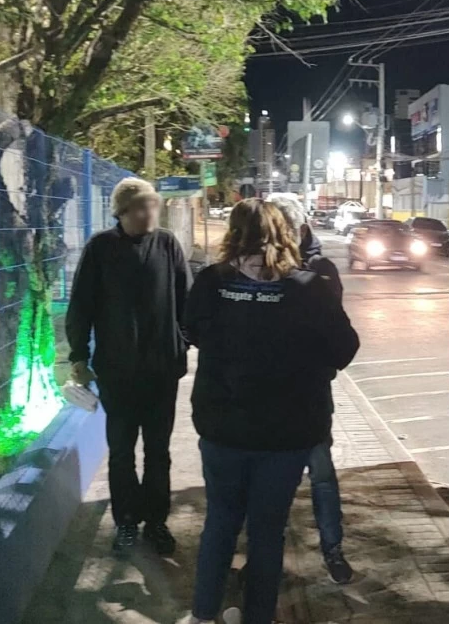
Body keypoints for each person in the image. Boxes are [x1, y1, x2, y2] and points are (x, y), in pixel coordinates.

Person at [179, 200, 360, 624]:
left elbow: (192, 330)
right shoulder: (309, 288)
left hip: (223, 425)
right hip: (287, 432)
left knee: (220, 522)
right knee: (267, 530)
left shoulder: (211, 281)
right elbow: (345, 348)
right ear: (284, 233)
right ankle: (258, 615)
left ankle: (204, 614)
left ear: (234, 232)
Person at [66, 177, 191, 556]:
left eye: (153, 204)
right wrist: (77, 356)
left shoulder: (167, 244)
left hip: (161, 372)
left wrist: (181, 343)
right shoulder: (101, 248)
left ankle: (156, 521)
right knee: (121, 452)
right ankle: (125, 523)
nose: (150, 211)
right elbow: (81, 307)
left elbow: (187, 299)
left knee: (158, 452)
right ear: (122, 212)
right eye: (141, 206)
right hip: (117, 373)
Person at [265, 193, 353, 584]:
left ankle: (332, 549)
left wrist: (319, 368)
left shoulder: (320, 270)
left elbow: (339, 337)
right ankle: (269, 554)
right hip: (269, 393)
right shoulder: (260, 267)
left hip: (311, 393)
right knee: (272, 479)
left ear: (298, 230)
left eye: (281, 230)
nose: (275, 239)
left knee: (320, 474)